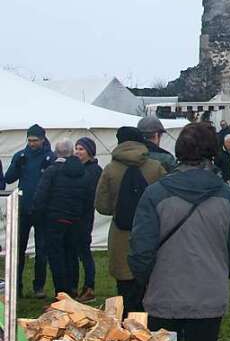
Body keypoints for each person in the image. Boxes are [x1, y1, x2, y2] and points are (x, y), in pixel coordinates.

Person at [129, 122, 230, 341]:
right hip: (206, 293)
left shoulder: (155, 194)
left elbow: (141, 250)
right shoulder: (229, 196)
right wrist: (216, 269)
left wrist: (148, 279)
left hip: (164, 292)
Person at [95, 126, 165, 312]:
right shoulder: (155, 167)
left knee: (125, 286)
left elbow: (102, 206)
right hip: (151, 234)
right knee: (150, 283)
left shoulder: (110, 169)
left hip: (121, 234)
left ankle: (128, 327)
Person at [33, 138, 91, 298]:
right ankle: (72, 287)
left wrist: (39, 216)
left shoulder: (52, 172)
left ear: (56, 153)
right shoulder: (83, 172)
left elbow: (41, 196)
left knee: (56, 256)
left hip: (55, 219)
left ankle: (61, 291)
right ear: (72, 152)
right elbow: (88, 198)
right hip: (76, 220)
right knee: (71, 254)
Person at [4, 124, 54, 297]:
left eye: (35, 140)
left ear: (42, 139)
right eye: (30, 140)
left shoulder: (50, 157)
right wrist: (17, 164)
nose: (32, 144)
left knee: (42, 251)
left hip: (42, 211)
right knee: (18, 250)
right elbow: (9, 178)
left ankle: (38, 287)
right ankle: (16, 286)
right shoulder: (21, 156)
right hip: (23, 209)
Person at [70, 137, 102, 301]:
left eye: (81, 149)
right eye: (76, 148)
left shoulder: (94, 171)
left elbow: (90, 194)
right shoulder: (78, 168)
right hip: (74, 215)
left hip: (84, 216)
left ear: (89, 152)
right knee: (74, 252)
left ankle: (89, 287)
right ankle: (73, 287)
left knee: (84, 252)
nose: (77, 152)